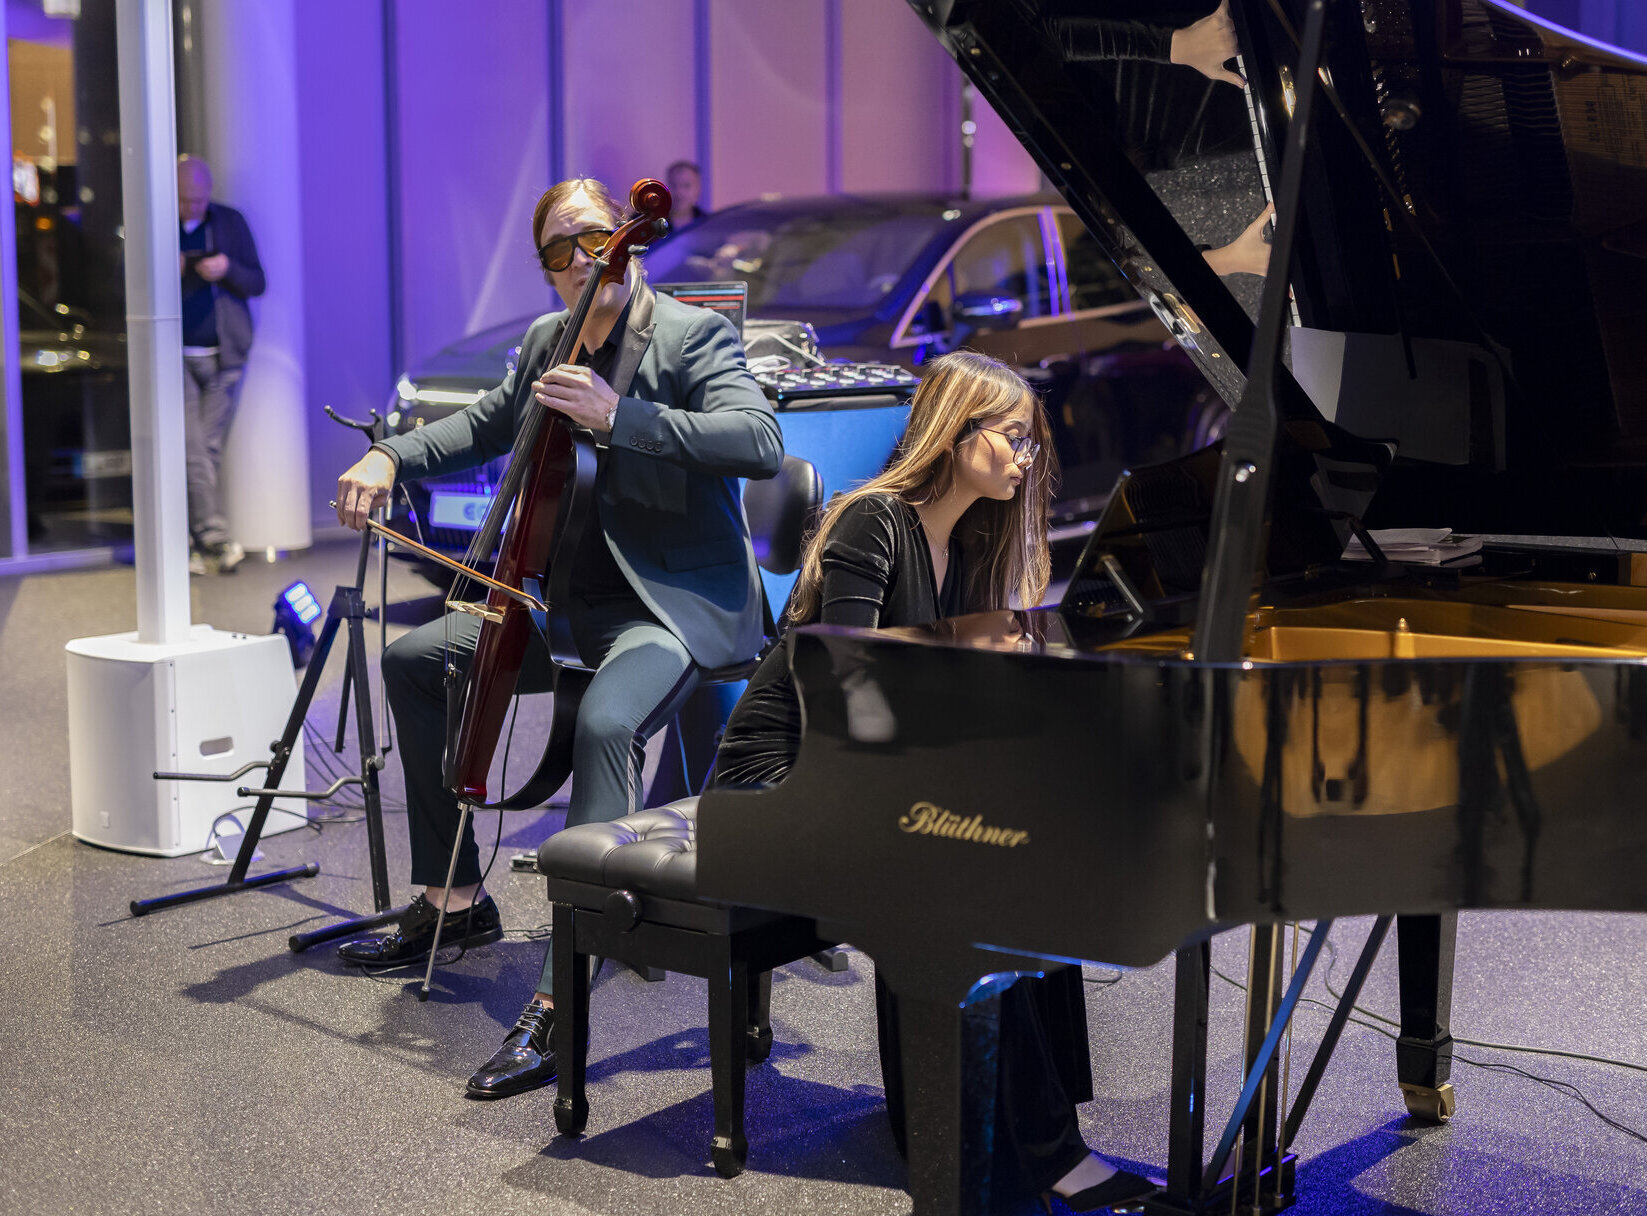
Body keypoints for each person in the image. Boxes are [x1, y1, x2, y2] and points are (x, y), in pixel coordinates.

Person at [330, 176, 783, 1099]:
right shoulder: (548, 340)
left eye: (593, 239)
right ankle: (453, 900)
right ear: (545, 273)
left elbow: (759, 439)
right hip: (557, 605)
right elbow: (481, 425)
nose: (582, 260)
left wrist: (624, 419)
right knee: (415, 660)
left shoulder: (691, 335)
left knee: (608, 725)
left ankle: (561, 989)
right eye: (559, 251)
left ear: (627, 238)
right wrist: (388, 452)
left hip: (665, 607)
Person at [710, 351, 1155, 1214]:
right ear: (956, 433)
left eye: (1032, 441)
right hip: (782, 777)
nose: (1027, 457)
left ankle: (980, 1118)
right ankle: (1021, 1142)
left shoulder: (976, 543)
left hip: (870, 770)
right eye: (1013, 437)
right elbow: (851, 688)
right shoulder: (873, 520)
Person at [177, 155, 265, 575]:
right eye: (184, 200)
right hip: (175, 356)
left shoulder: (229, 222)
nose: (192, 207)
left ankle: (193, 544)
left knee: (205, 451)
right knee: (192, 449)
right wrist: (168, 269)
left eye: (198, 199)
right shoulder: (158, 223)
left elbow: (257, 281)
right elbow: (126, 281)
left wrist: (227, 267)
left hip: (223, 355)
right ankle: (210, 538)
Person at [665, 159, 706, 229]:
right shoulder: (652, 225)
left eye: (686, 185)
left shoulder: (707, 225)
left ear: (698, 189)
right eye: (673, 185)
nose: (679, 192)